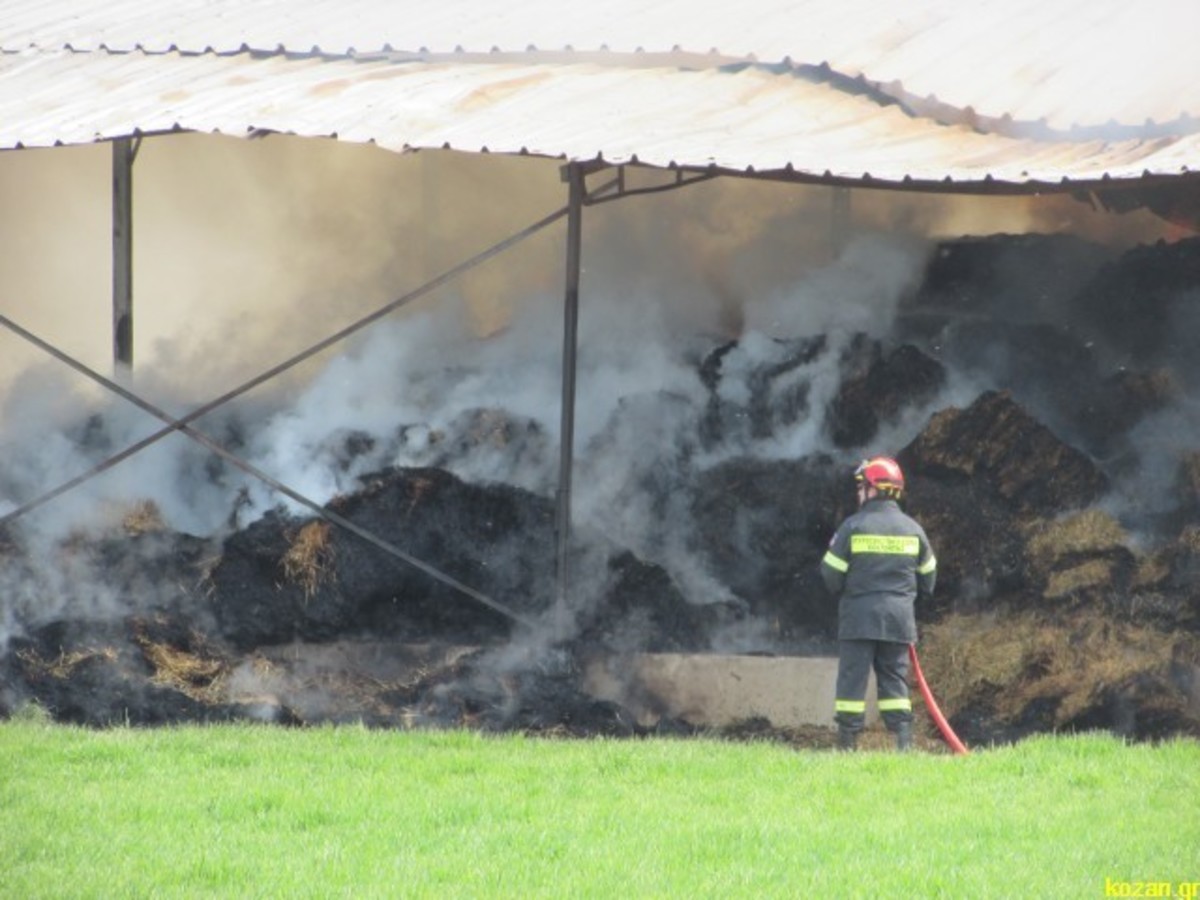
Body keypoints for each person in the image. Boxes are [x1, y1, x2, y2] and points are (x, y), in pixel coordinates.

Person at [819, 456, 936, 751]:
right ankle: (903, 744)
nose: (859, 493)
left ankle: (847, 747)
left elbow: (830, 575)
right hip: (898, 620)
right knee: (895, 681)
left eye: (862, 487)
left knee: (852, 683)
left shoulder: (853, 527)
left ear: (872, 489)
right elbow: (929, 580)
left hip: (858, 620)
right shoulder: (914, 531)